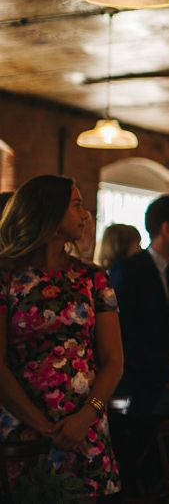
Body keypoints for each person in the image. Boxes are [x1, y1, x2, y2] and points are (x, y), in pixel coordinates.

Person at [0, 175, 123, 497]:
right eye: (77, 205)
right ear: (51, 212)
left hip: (84, 429)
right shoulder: (7, 275)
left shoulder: (94, 277)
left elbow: (113, 360)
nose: (85, 215)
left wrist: (87, 414)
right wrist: (43, 427)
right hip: (19, 431)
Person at [110, 195, 169, 417]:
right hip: (143, 390)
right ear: (167, 229)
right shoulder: (130, 271)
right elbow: (125, 332)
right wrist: (161, 372)